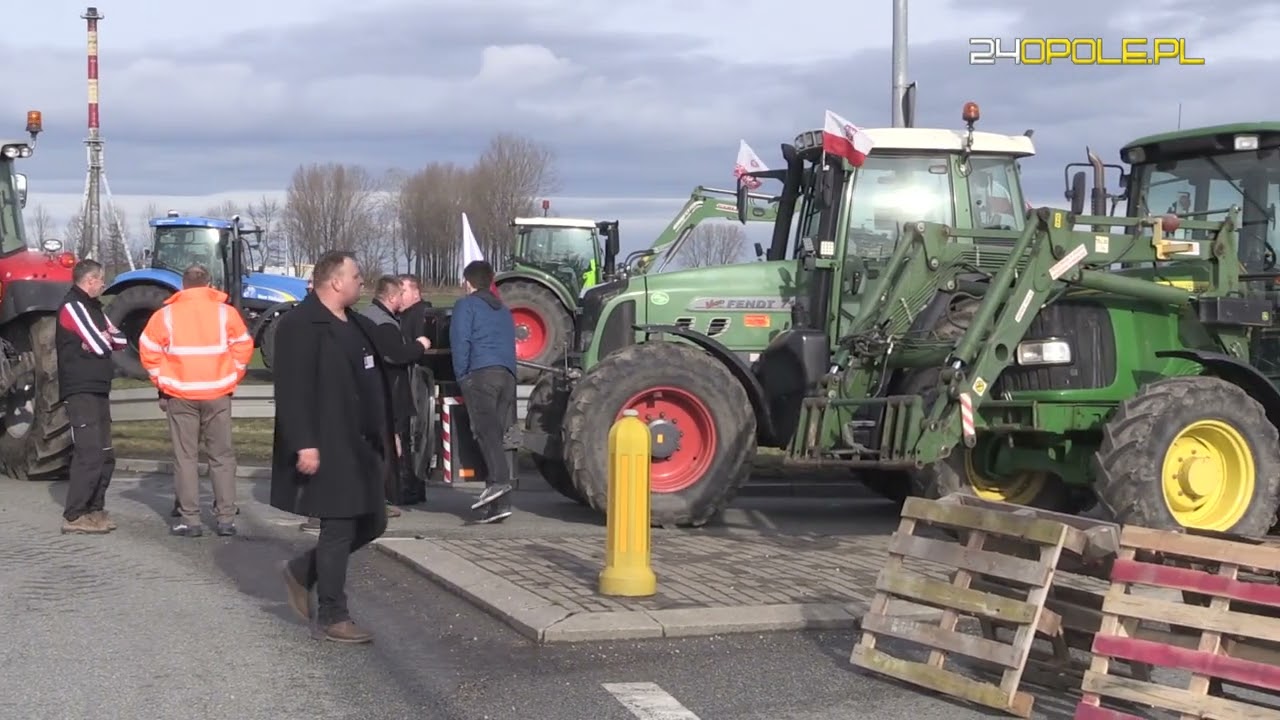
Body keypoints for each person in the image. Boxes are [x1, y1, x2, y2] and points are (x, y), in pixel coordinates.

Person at [271, 250, 398, 644]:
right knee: (339, 526)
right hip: (327, 441)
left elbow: (372, 379)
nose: (363, 281)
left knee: (373, 521)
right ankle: (333, 615)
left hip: (361, 443)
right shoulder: (300, 325)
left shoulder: (356, 324)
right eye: (356, 275)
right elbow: (292, 391)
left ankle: (303, 570)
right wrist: (305, 443)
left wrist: (386, 429)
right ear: (335, 281)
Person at [139, 265, 255, 537]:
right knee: (223, 457)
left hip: (180, 394)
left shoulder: (165, 315)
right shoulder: (226, 313)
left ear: (183, 285)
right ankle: (226, 518)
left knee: (185, 458)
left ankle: (190, 520)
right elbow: (244, 347)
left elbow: (149, 351)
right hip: (217, 393)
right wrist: (232, 376)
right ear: (208, 283)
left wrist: (162, 382)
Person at [55, 259, 127, 534]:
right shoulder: (73, 305)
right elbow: (100, 344)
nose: (103, 284)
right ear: (90, 280)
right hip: (80, 388)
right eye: (101, 279)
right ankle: (74, 515)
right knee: (89, 452)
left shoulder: (95, 308)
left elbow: (119, 340)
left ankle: (95, 508)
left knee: (106, 453)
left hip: (99, 386)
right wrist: (100, 339)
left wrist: (102, 338)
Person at [450, 260, 517, 523]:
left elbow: (460, 340)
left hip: (480, 373)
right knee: (495, 436)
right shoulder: (503, 309)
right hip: (507, 375)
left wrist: (462, 376)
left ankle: (499, 483)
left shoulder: (466, 305)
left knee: (485, 433)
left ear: (467, 282)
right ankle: (499, 506)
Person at [359, 275, 431, 515]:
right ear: (391, 297)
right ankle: (383, 497)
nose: (403, 299)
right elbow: (395, 355)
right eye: (400, 294)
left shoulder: (368, 316)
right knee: (389, 445)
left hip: (372, 390)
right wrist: (420, 345)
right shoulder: (385, 323)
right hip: (387, 392)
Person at [396, 274, 433, 504]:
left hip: (416, 380)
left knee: (412, 435)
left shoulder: (421, 314)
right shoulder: (405, 315)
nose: (399, 297)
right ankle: (411, 486)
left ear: (415, 292)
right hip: (412, 379)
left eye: (403, 291)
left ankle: (411, 486)